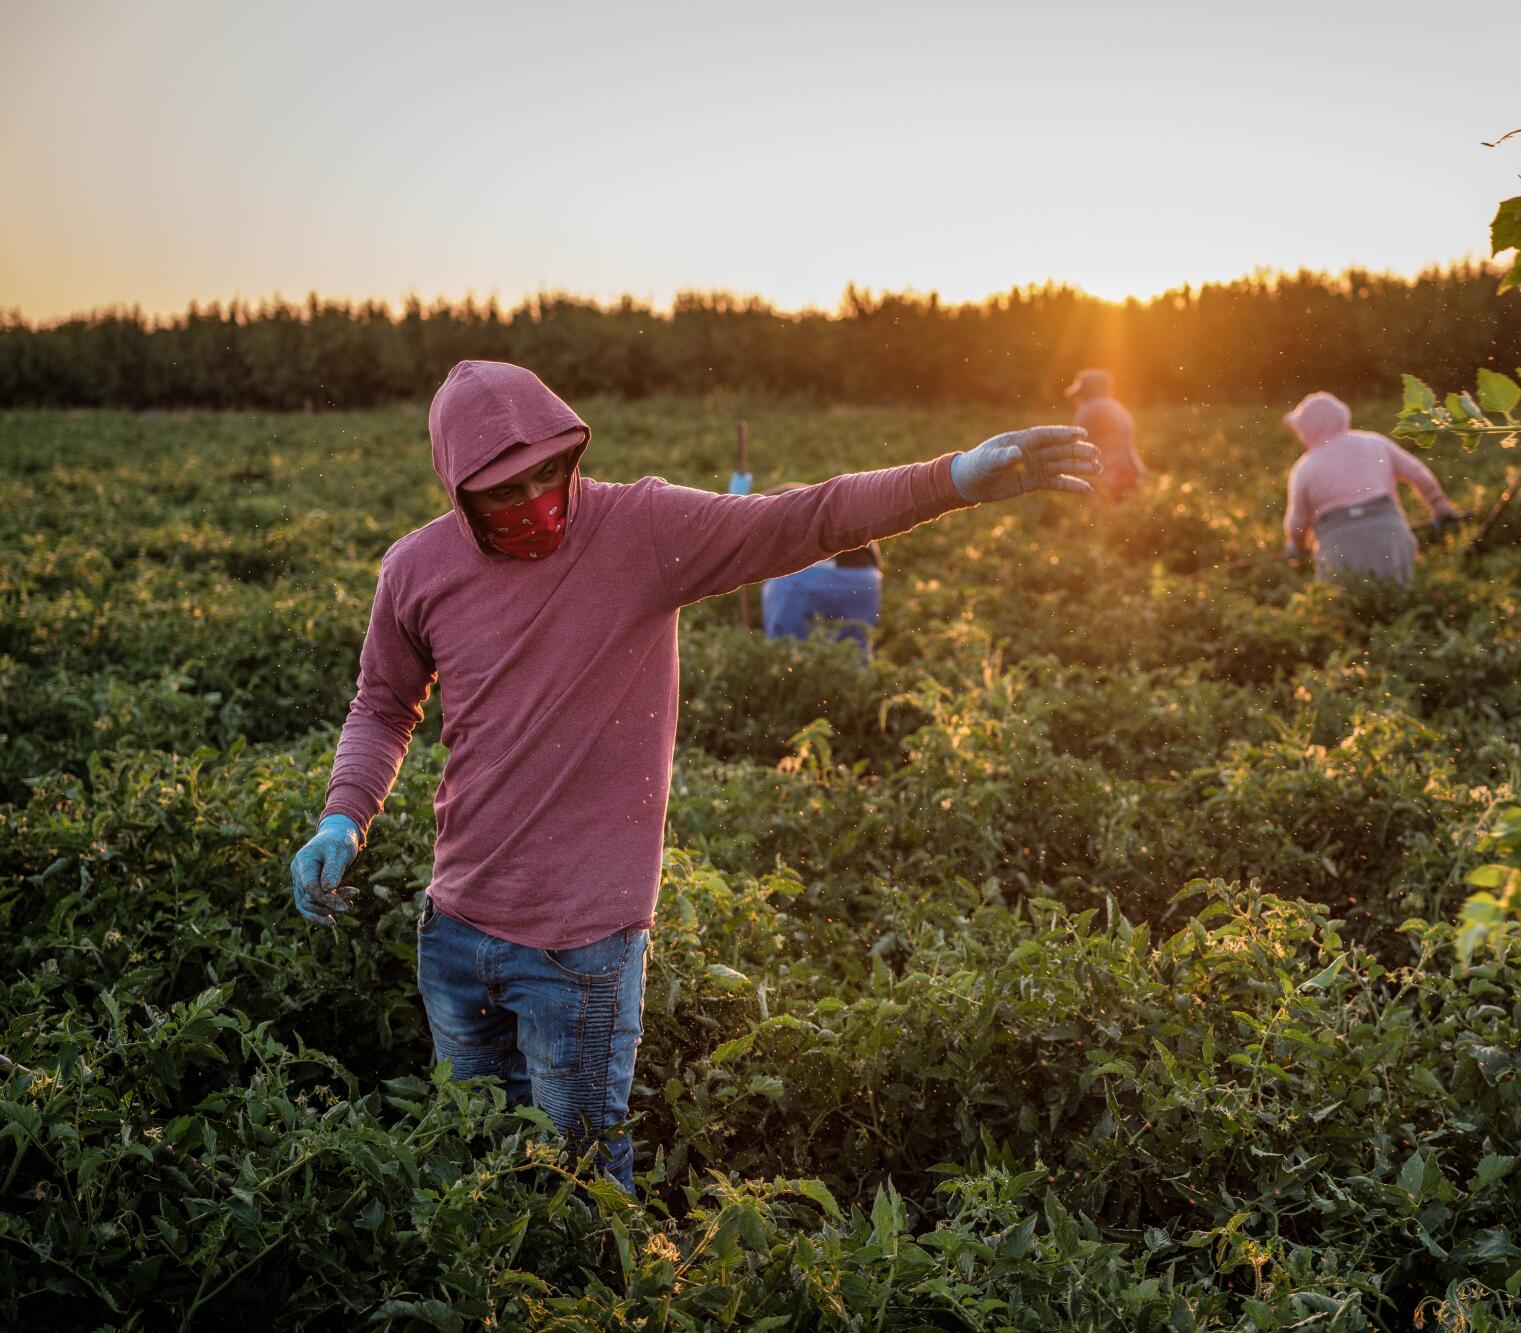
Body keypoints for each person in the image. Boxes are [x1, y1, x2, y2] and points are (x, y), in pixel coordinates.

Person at [286, 360, 1098, 1190]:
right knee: (482, 1169)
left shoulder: (640, 529)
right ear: (458, 489)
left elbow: (804, 518)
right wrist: (342, 819)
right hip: (454, 932)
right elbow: (383, 705)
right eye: (504, 490)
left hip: (582, 947)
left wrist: (955, 478)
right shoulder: (416, 570)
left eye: (548, 472)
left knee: (582, 1185)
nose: (536, 500)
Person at [1281, 391, 1460, 585]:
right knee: (1397, 593)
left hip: (1337, 547)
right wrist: (1441, 507)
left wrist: (1297, 548)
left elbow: (1297, 522)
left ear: (1305, 429)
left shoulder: (1304, 468)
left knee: (1343, 604)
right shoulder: (1375, 443)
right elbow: (1417, 473)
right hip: (1390, 537)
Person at [760, 482, 884, 660]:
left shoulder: (772, 503)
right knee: (854, 651)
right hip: (864, 578)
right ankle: (857, 683)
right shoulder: (832, 503)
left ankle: (787, 675)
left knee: (786, 650)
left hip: (808, 578)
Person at [1066, 369, 1145, 504]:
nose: (1078, 398)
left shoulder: (1088, 409)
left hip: (1106, 477)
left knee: (1104, 519)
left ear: (1087, 391)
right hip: (1131, 472)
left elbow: (1075, 446)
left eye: (1081, 393)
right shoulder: (1117, 407)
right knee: (1129, 513)